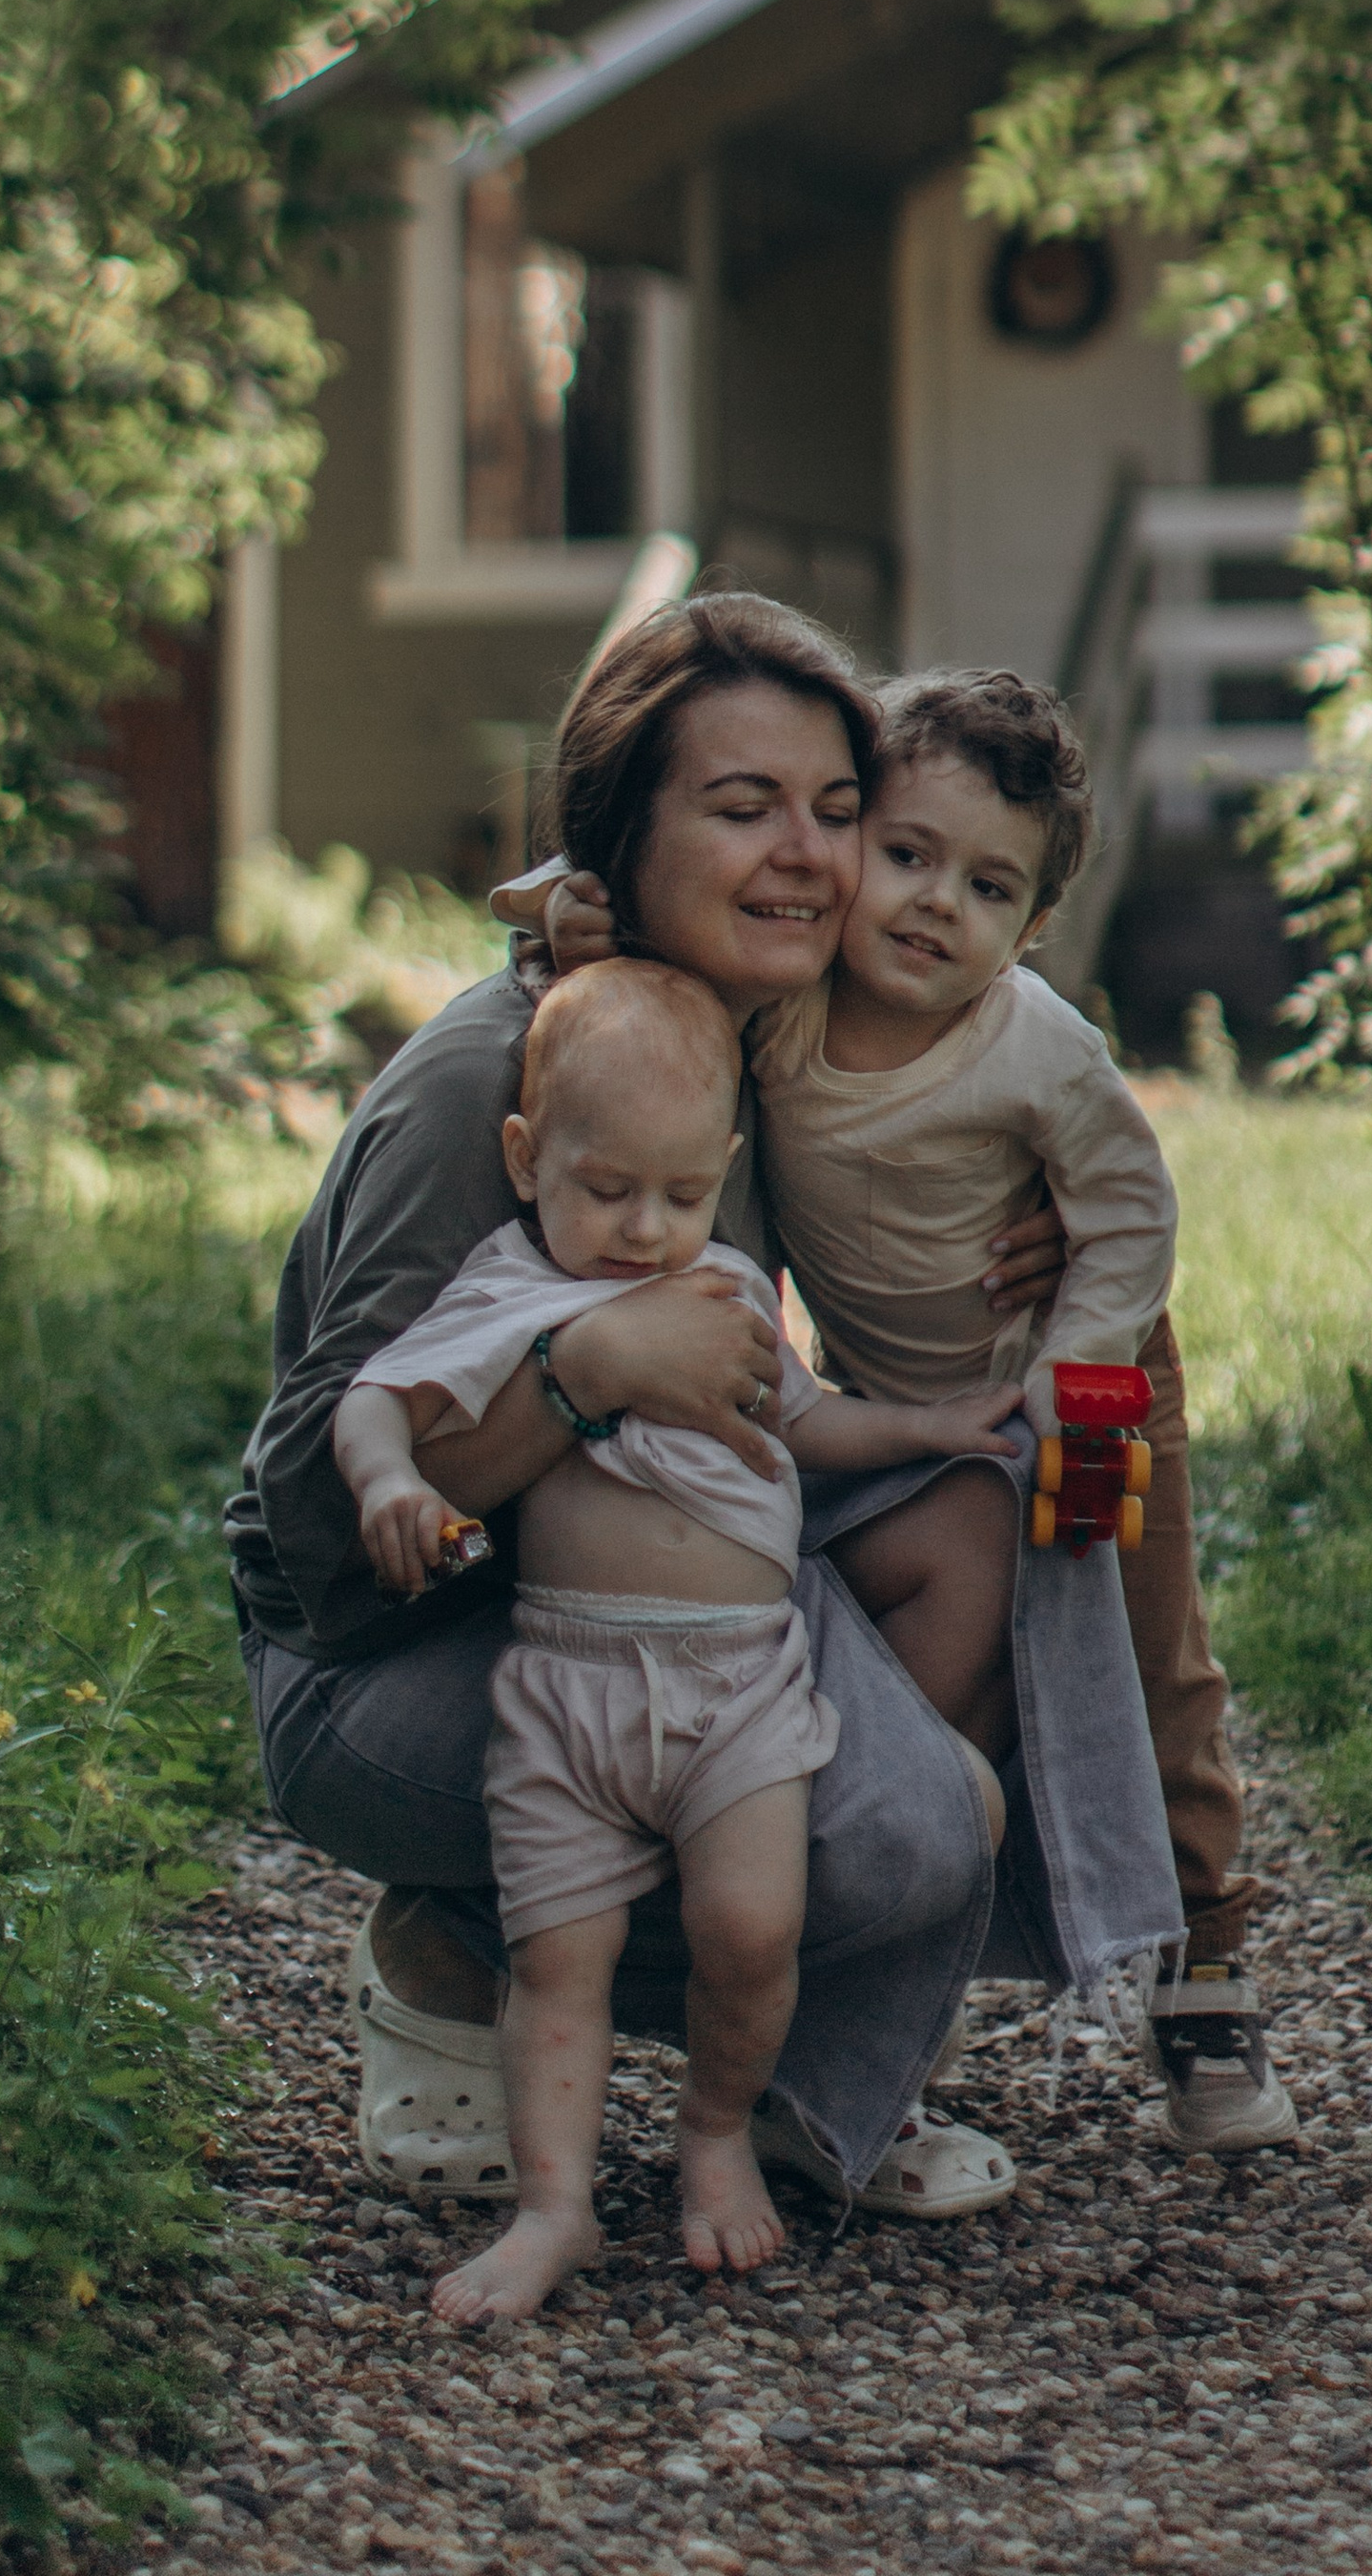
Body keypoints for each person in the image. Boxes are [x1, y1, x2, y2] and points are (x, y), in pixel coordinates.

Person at [227, 594, 1051, 2218]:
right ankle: (452, 1949)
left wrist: (1043, 1202)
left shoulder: (758, 1040)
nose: (806, 856)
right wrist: (581, 1378)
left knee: (954, 1610)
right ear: (617, 840)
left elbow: (984, 986)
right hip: (389, 1662)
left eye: (835, 812)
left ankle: (812, 2062)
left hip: (648, 1593)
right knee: (855, 1837)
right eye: (741, 810)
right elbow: (316, 1535)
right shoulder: (496, 1085)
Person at [515, 665, 1298, 2154]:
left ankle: (1208, 1966)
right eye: (909, 855)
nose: (935, 904)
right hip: (899, 1400)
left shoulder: (1032, 1045)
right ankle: (873, 1969)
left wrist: (1083, 1365)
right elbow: (656, 947)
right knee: (928, 1665)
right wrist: (565, 915)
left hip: (1095, 1374)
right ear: (854, 841)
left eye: (988, 886)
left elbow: (1129, 1207)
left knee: (1148, 1659)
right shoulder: (788, 1003)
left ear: (1035, 928)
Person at [335, 958, 1025, 2311]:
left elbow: (806, 1427)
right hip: (568, 1687)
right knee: (561, 1963)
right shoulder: (509, 1287)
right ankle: (554, 2209)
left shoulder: (722, 1287)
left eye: (682, 1193)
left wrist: (926, 1426)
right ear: (527, 1159)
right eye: (607, 1191)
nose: (645, 1229)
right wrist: (393, 1486)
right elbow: (376, 1397)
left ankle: (716, 2128)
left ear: (722, 1170)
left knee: (754, 1925)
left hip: (741, 1686)